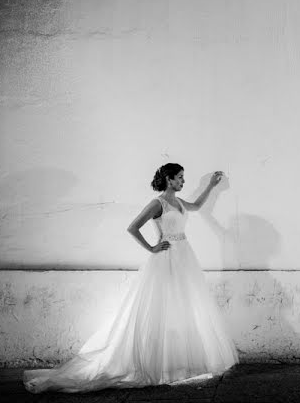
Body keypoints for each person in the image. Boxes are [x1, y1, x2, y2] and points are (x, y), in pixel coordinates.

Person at [24, 163, 239, 392]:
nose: (183, 182)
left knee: (183, 307)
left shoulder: (179, 202)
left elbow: (196, 206)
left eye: (183, 178)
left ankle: (174, 362)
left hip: (185, 257)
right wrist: (152, 248)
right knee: (161, 308)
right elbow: (133, 227)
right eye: (179, 178)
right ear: (169, 179)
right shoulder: (159, 203)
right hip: (166, 259)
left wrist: (211, 186)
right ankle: (155, 364)